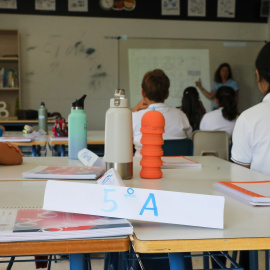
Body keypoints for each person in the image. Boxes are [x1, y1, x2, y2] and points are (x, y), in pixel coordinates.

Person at [132, 69, 192, 157]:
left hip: (143, 168)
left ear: (143, 94)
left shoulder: (134, 117)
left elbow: (121, 138)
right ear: (167, 94)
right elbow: (188, 140)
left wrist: (135, 109)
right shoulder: (181, 115)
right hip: (178, 167)